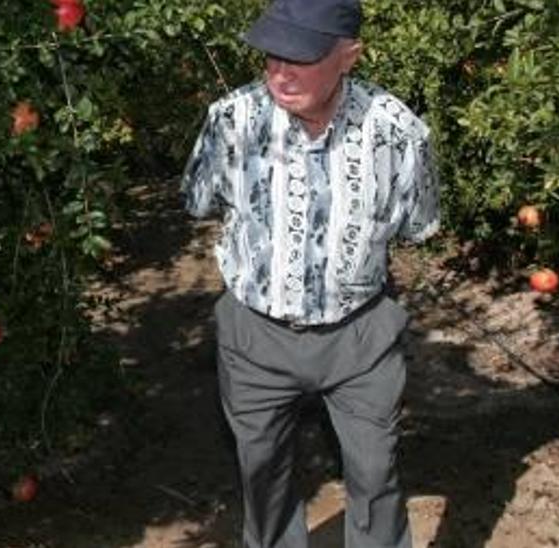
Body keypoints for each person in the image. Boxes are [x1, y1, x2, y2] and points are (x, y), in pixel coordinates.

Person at [180, 0, 439, 547]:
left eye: (301, 56)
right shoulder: (233, 120)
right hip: (255, 336)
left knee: (375, 472)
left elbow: (417, 224)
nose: (281, 71)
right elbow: (199, 199)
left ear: (349, 56)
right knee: (262, 472)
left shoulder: (399, 132)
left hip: (361, 335)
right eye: (274, 54)